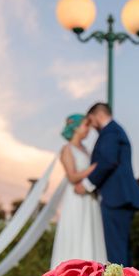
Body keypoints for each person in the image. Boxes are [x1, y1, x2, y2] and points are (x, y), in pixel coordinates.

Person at [74, 103, 139, 266]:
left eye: (90, 120)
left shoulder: (110, 132)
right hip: (121, 196)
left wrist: (87, 184)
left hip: (116, 197)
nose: (91, 126)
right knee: (120, 247)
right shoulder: (115, 130)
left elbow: (108, 161)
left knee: (116, 249)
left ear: (97, 115)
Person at [50, 114, 107, 268]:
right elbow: (72, 176)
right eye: (85, 125)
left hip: (90, 199)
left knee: (90, 233)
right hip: (76, 199)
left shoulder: (86, 150)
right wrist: (94, 168)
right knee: (77, 233)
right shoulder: (67, 150)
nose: (87, 129)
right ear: (75, 127)